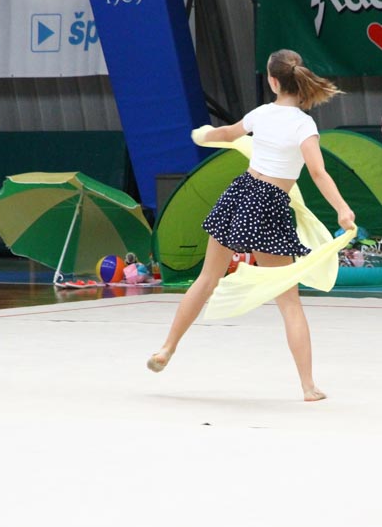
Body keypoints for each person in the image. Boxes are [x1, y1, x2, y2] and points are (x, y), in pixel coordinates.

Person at [147, 49, 356, 402]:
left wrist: (203, 135)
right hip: (270, 205)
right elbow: (318, 172)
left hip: (241, 193)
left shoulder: (261, 113)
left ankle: (167, 347)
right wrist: (342, 209)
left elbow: (228, 134)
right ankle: (308, 386)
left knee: (207, 278)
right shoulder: (304, 125)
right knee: (289, 302)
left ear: (273, 82)